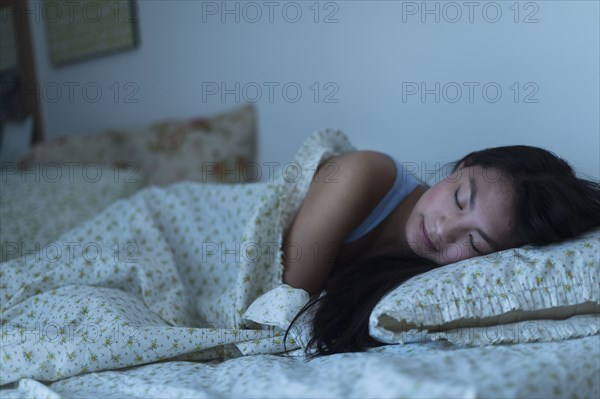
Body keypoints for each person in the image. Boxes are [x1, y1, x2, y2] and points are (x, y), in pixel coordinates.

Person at [281, 145, 600, 358]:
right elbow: (280, 302)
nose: (444, 230)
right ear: (462, 166)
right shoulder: (364, 174)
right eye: (459, 199)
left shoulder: (424, 285)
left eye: (475, 243)